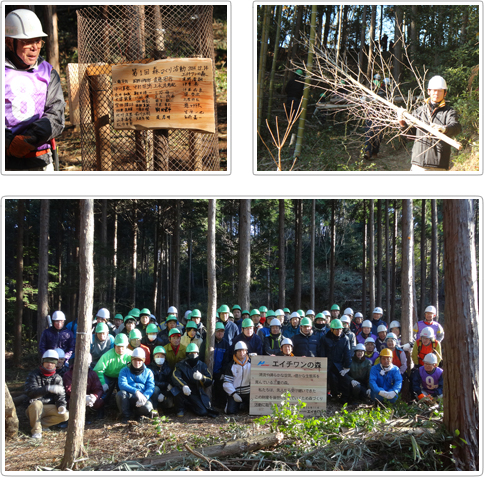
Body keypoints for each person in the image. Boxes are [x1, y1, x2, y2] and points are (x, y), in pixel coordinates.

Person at [5, 9, 65, 171]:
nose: (35, 47)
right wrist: (7, 142)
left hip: (39, 158)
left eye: (38, 41)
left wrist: (30, 138)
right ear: (9, 42)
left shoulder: (48, 72)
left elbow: (56, 115)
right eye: (27, 41)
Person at [398, 75, 462, 171]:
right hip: (418, 165)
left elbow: (456, 127)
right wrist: (402, 123)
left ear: (445, 93)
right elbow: (410, 136)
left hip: (438, 166)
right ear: (429, 91)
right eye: (434, 90)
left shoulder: (449, 112)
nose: (436, 93)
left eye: (440, 90)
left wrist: (444, 128)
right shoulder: (419, 111)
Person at [24, 349, 69, 438]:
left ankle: (42, 425)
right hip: (33, 408)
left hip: (48, 407)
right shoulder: (34, 375)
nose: (49, 364)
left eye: (52, 362)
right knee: (37, 404)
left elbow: (61, 396)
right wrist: (47, 389)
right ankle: (36, 431)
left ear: (56, 364)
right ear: (42, 362)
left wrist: (61, 406)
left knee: (65, 415)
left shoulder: (57, 378)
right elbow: (30, 392)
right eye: (47, 362)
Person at [172, 343, 218, 418]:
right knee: (176, 390)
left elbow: (210, 380)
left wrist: (202, 378)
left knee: (203, 412)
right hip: (182, 391)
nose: (193, 355)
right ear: (187, 354)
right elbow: (175, 376)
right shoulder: (180, 365)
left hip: (195, 393)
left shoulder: (202, 365)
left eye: (195, 353)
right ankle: (180, 409)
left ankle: (189, 406)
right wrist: (183, 386)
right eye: (191, 353)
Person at [93, 333, 132, 409]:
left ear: (126, 346)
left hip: (123, 377)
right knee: (102, 391)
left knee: (124, 392)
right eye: (118, 346)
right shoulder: (107, 355)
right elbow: (98, 370)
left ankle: (125, 410)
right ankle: (99, 409)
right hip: (107, 375)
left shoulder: (130, 355)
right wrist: (103, 383)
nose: (120, 349)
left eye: (122, 347)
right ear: (114, 345)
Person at [62, 354, 104, 425]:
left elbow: (98, 388)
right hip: (73, 399)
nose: (86, 365)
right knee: (71, 403)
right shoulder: (68, 374)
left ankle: (91, 415)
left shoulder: (92, 374)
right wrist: (83, 397)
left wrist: (94, 396)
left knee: (99, 401)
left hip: (89, 398)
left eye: (88, 363)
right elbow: (69, 390)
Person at [117, 348, 155, 423]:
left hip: (142, 396)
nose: (137, 362)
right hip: (129, 396)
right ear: (131, 359)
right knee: (121, 394)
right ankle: (125, 416)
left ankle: (138, 415)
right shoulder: (124, 370)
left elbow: (151, 386)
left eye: (139, 360)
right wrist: (136, 391)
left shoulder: (148, 372)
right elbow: (122, 384)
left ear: (143, 360)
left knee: (148, 407)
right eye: (135, 359)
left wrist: (145, 397)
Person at [320, 319, 352, 403]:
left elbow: (347, 353)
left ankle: (344, 399)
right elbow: (322, 353)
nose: (339, 331)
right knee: (331, 379)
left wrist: (347, 367)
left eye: (340, 329)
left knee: (346, 380)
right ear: (331, 329)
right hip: (328, 364)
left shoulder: (345, 339)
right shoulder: (325, 338)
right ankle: (331, 396)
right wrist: (323, 367)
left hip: (339, 365)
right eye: (337, 329)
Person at [223, 342, 251, 414]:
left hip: (249, 393)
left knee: (254, 411)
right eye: (239, 351)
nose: (241, 353)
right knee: (230, 411)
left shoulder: (252, 363)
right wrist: (234, 394)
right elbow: (226, 383)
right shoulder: (231, 365)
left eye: (243, 350)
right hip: (236, 393)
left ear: (246, 351)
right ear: (235, 352)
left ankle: (243, 405)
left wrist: (256, 359)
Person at [148, 346, 175, 413]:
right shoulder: (149, 369)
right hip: (152, 392)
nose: (160, 358)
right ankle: (154, 409)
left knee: (169, 404)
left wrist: (164, 394)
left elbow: (170, 383)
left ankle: (163, 409)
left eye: (162, 356)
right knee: (155, 389)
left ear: (165, 358)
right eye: (157, 356)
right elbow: (151, 382)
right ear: (154, 358)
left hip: (164, 393)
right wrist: (165, 384)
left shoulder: (168, 369)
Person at [212, 322, 231, 408]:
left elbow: (227, 360)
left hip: (220, 372)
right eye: (218, 331)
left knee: (220, 387)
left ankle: (220, 405)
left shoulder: (226, 344)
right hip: (209, 371)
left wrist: (223, 372)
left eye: (222, 331)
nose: (220, 333)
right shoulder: (208, 342)